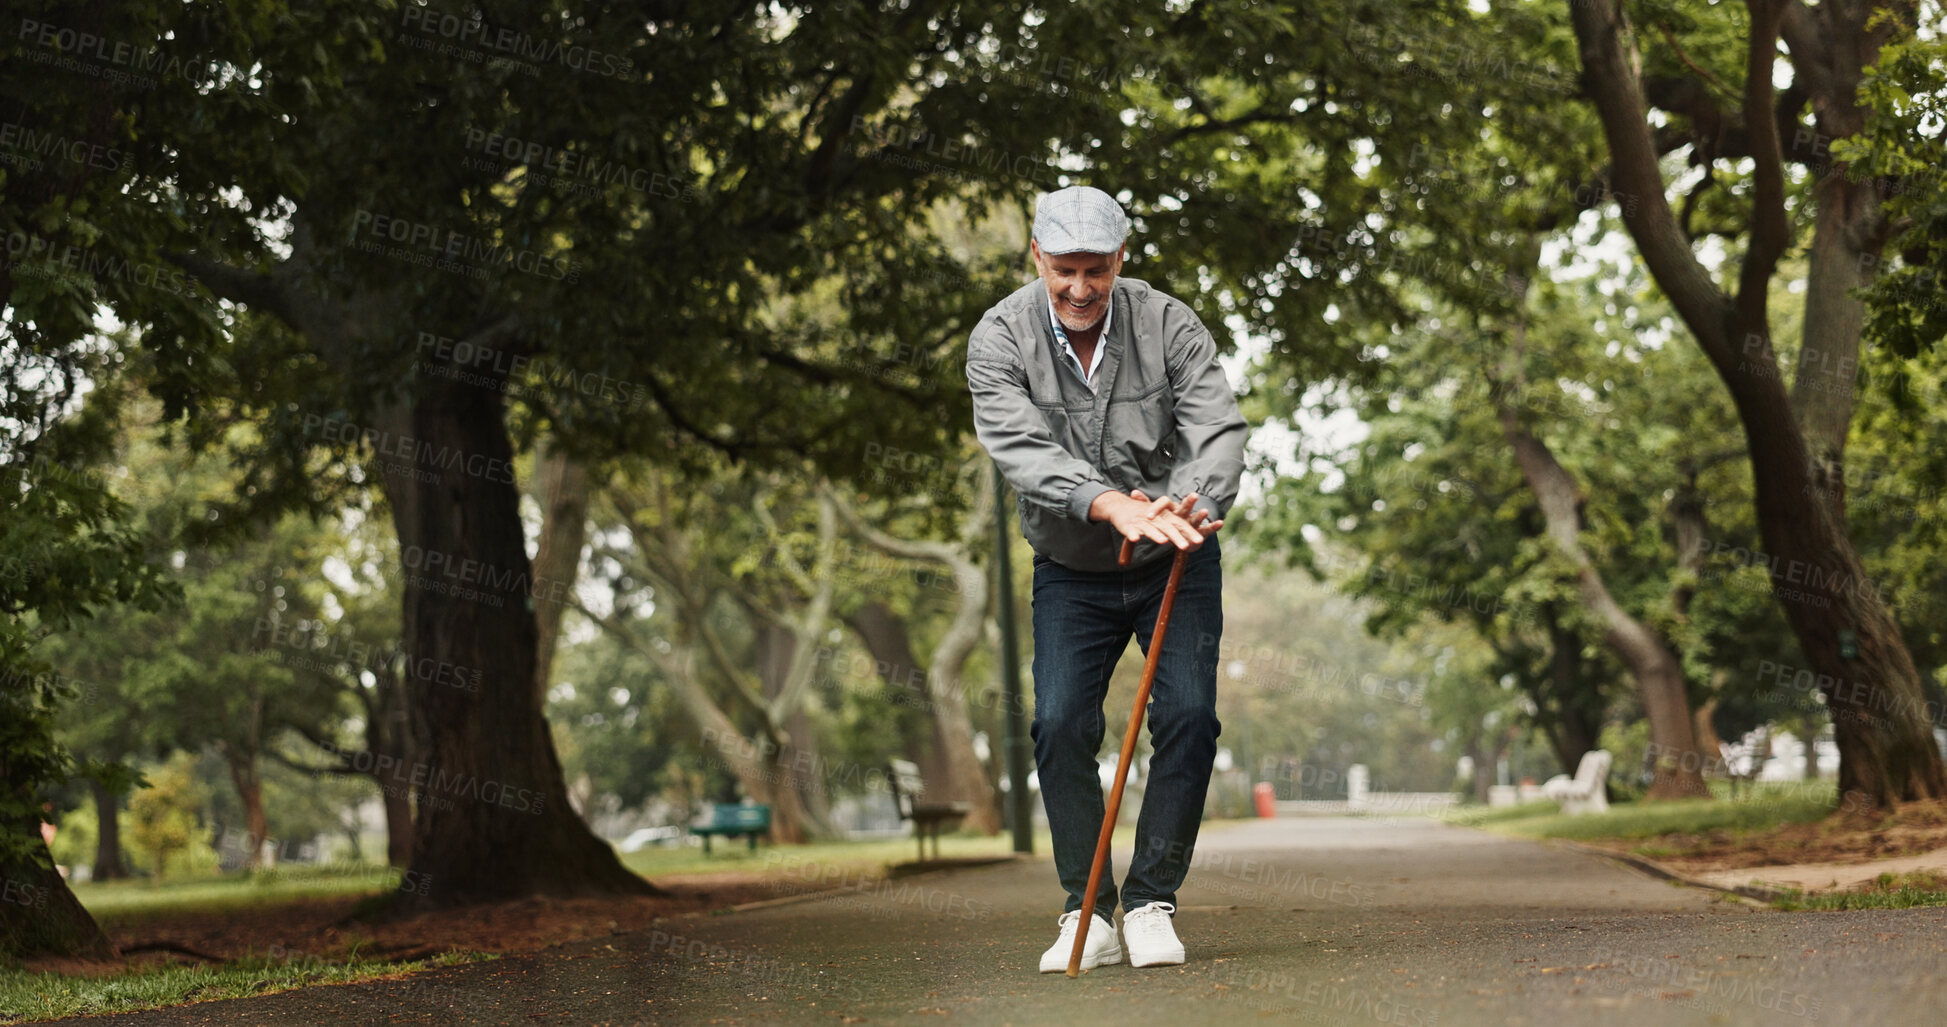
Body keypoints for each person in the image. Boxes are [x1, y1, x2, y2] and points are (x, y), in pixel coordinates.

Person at [965, 185, 1248, 972]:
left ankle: (1151, 900)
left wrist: (1197, 502)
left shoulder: (1169, 323)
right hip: (1070, 567)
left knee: (1189, 717)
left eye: (1096, 269)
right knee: (1058, 725)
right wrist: (1108, 504)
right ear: (1037, 259)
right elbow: (1017, 444)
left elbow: (1216, 426)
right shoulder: (998, 336)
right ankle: (1085, 911)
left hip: (1175, 560)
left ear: (1121, 260)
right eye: (1063, 271)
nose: (1080, 288)